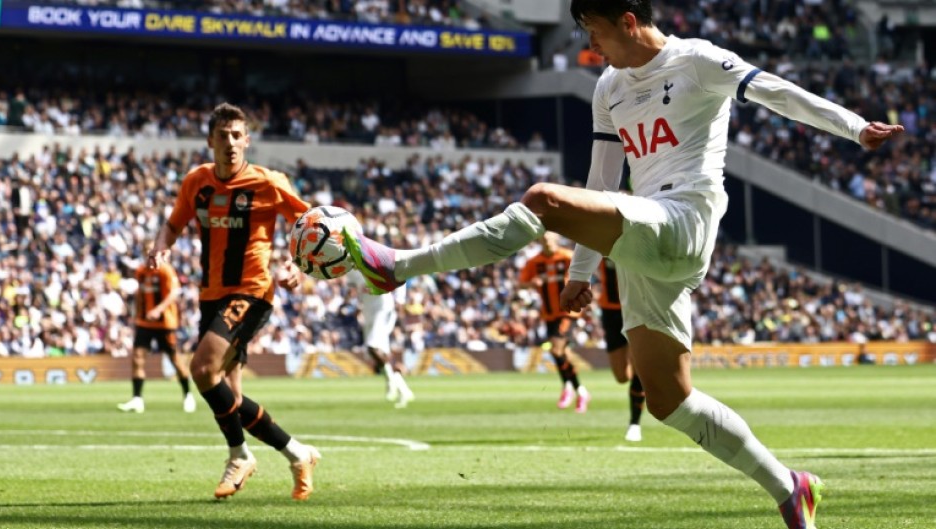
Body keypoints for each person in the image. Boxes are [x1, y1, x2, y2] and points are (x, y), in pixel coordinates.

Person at [341, 2, 904, 527]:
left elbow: (776, 92)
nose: (590, 42)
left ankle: (397, 265)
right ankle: (789, 486)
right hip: (641, 235)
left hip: (684, 219)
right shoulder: (609, 86)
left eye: (594, 29)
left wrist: (856, 128)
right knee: (668, 400)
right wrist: (581, 272)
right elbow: (603, 182)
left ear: (629, 21)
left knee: (542, 198)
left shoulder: (698, 60)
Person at [147, 102, 321, 501]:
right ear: (210, 140)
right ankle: (297, 453)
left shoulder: (269, 182)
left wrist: (298, 265)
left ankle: (239, 454)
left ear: (247, 140)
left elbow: (311, 224)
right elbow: (173, 224)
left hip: (252, 290)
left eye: (237, 135)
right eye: (222, 135)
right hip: (211, 293)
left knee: (202, 368)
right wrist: (161, 247)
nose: (230, 143)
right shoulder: (197, 182)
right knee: (229, 395)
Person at [518, 232, 590, 413]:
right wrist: (530, 284)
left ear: (557, 240)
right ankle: (577, 390)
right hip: (549, 314)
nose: (548, 242)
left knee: (556, 349)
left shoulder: (567, 257)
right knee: (562, 353)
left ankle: (572, 389)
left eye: (551, 239)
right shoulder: (534, 262)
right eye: (544, 239)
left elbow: (585, 275)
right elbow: (521, 283)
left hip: (568, 312)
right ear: (539, 241)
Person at [117, 254, 195, 414]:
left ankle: (188, 395)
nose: (149, 257)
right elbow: (140, 294)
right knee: (137, 358)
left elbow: (174, 293)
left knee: (175, 360)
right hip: (144, 322)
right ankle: (137, 399)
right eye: (146, 253)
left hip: (164, 323)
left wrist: (158, 310)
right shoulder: (141, 271)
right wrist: (137, 315)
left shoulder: (166, 270)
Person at [346, 269, 415, 408]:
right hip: (368, 311)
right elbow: (353, 287)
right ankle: (404, 390)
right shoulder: (350, 269)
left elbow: (399, 274)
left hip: (383, 308)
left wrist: (400, 300)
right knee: (379, 354)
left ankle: (390, 381)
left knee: (372, 347)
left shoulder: (372, 259)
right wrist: (352, 300)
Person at [596, 257, 643, 440]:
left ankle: (634, 424)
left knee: (638, 363)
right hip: (610, 312)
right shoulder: (601, 241)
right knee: (621, 376)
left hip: (636, 306)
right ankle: (640, 370)